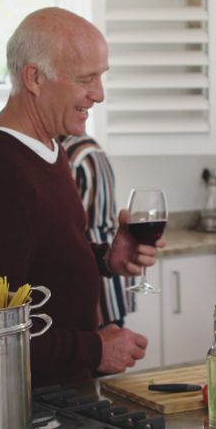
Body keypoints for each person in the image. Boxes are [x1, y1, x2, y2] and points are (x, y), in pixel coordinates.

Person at [0, 7, 156, 387]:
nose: (99, 95)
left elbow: (47, 261)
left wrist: (106, 258)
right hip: (23, 410)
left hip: (62, 399)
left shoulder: (49, 147)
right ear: (35, 78)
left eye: (101, 77)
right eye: (85, 79)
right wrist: (94, 350)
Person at [60, 134, 136, 328]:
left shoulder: (69, 154)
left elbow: (67, 226)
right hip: (111, 278)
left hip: (93, 282)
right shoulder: (91, 146)